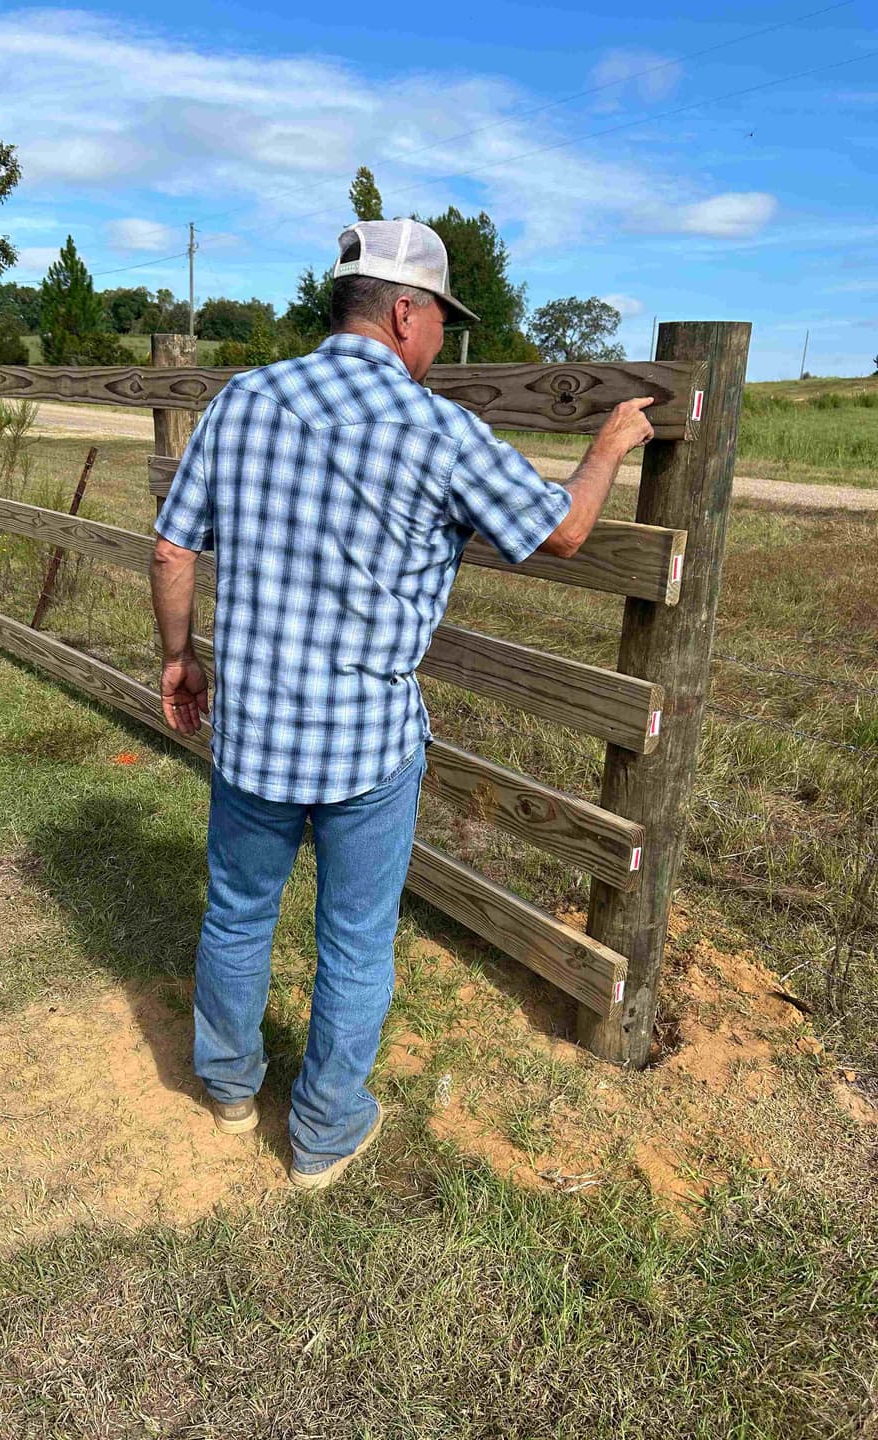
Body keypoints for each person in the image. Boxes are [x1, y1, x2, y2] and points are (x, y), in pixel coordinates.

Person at [151, 218, 653, 1189]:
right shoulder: (438, 431)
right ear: (405, 313)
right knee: (354, 938)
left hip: (254, 732)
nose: (439, 343)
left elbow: (173, 548)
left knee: (239, 912)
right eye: (440, 324)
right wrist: (608, 446)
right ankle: (324, 1133)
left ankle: (227, 1087)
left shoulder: (242, 399)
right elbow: (562, 533)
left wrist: (180, 657)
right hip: (368, 743)